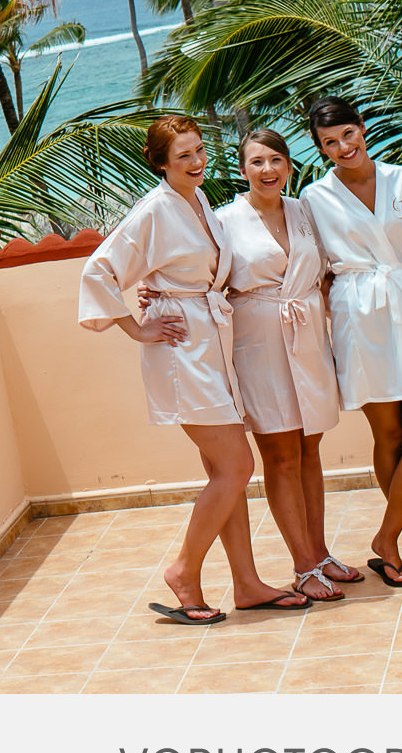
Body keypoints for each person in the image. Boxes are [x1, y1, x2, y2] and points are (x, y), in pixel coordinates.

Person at [78, 114, 310, 624]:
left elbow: (208, 270)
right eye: (183, 156)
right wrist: (137, 327)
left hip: (212, 343)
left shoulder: (199, 200)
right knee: (238, 467)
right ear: (160, 163)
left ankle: (246, 584)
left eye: (200, 150)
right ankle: (184, 570)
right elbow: (98, 270)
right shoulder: (154, 211)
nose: (197, 161)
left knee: (222, 471)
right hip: (182, 351)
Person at [302, 95, 402, 588]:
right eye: (330, 143)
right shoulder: (314, 198)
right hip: (357, 316)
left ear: (362, 127)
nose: (343, 147)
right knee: (389, 436)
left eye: (348, 134)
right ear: (322, 149)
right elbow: (311, 266)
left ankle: (384, 536)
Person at [216, 129, 355, 601]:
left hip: (308, 333)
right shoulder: (224, 221)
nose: (267, 170)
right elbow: (201, 277)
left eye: (276, 160)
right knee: (279, 454)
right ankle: (301, 565)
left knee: (310, 449)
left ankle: (320, 553)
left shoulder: (303, 212)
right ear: (242, 170)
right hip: (260, 342)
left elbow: (330, 266)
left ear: (289, 165)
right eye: (257, 162)